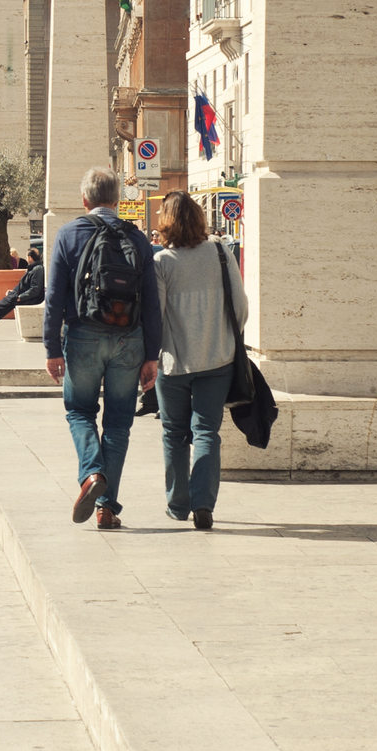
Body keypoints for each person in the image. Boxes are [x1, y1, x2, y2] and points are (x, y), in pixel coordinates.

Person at [44, 166, 161, 530]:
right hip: (129, 339)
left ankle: (91, 474)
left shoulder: (69, 234)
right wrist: (152, 355)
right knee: (119, 423)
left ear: (85, 200)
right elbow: (153, 302)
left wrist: (52, 347)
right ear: (116, 200)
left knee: (79, 410)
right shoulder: (138, 238)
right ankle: (106, 509)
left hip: (82, 336)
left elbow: (53, 298)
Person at [153, 191, 247, 530]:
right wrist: (222, 336)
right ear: (198, 218)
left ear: (165, 223)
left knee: (174, 432)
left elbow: (157, 315)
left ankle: (178, 505)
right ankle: (203, 503)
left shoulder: (162, 262)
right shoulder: (221, 251)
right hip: (217, 359)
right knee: (206, 430)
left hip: (174, 363)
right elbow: (240, 307)